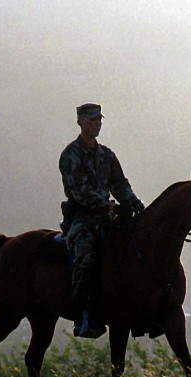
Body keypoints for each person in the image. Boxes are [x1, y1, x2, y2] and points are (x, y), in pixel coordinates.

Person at [59, 103, 145, 338]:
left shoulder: (107, 154)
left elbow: (120, 184)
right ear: (79, 122)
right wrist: (108, 205)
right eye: (91, 119)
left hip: (109, 218)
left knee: (136, 252)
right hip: (83, 219)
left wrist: (135, 204)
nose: (96, 123)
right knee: (86, 257)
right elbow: (79, 191)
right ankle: (83, 313)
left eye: (98, 119)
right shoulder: (71, 155)